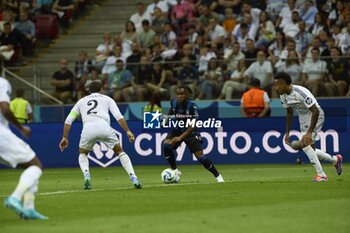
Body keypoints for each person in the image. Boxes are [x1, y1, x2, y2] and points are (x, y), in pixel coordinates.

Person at [59, 80, 142, 190]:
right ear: (102, 89)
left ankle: (87, 175)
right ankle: (133, 177)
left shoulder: (81, 101)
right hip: (104, 127)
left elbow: (68, 120)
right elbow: (118, 116)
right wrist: (127, 131)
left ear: (89, 90)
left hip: (88, 129)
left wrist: (65, 137)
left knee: (83, 153)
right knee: (119, 151)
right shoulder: (107, 99)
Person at [274, 72, 343, 182]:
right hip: (303, 118)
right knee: (311, 150)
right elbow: (289, 112)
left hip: (316, 115)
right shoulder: (283, 96)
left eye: (278, 85)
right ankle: (335, 159)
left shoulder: (300, 93)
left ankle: (322, 175)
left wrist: (309, 132)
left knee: (305, 145)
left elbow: (315, 110)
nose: (276, 88)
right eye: (275, 85)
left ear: (285, 83)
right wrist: (287, 132)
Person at [0, 77, 47, 219]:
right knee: (35, 165)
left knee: (29, 168)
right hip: (2, 135)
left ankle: (28, 209)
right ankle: (15, 198)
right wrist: (21, 128)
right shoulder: (2, 82)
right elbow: (5, 109)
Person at [162, 85, 224, 183]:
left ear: (187, 95)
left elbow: (193, 125)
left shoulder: (192, 106)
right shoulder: (173, 102)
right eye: (177, 94)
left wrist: (180, 138)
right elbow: (171, 110)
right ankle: (175, 170)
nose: (179, 96)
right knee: (166, 145)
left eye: (182, 94)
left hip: (190, 132)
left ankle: (218, 176)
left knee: (200, 156)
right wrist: (165, 120)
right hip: (178, 129)